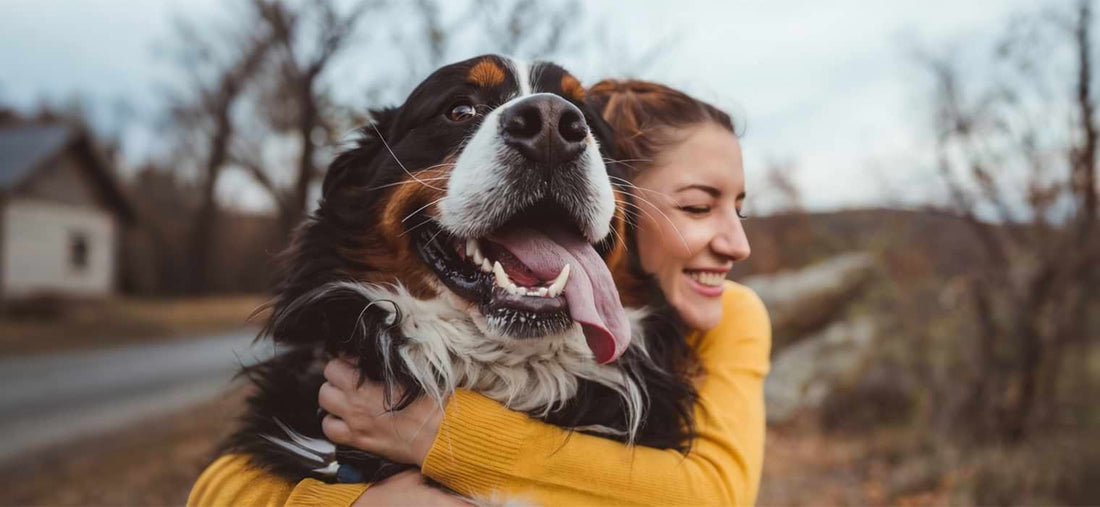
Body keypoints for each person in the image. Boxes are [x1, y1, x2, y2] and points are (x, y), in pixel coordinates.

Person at [188, 80, 770, 506]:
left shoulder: (727, 319)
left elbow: (713, 493)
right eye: (697, 206)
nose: (737, 243)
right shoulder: (321, 380)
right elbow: (220, 490)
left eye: (581, 130)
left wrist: (441, 435)